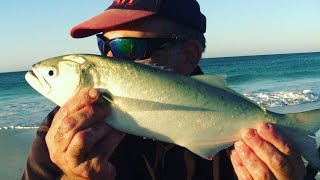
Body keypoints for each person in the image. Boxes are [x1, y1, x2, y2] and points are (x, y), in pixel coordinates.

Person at [23, 0, 307, 179]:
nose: (109, 61)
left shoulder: (253, 146)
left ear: (188, 55)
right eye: (103, 46)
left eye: (127, 47)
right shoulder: (66, 132)